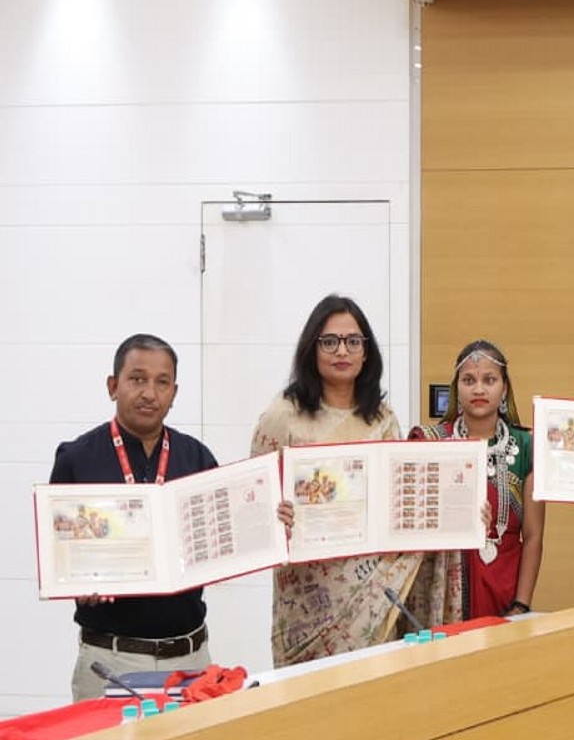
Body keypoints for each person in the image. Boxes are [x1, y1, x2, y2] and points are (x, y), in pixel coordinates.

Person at [251, 294, 423, 666]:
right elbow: (254, 500)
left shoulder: (382, 419)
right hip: (307, 602)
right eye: (329, 341)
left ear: (366, 352)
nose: (341, 351)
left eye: (352, 341)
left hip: (370, 595)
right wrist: (275, 513)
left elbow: (396, 500)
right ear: (312, 349)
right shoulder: (283, 416)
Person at [53, 335, 219, 701]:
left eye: (162, 382)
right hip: (110, 659)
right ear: (113, 386)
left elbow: (221, 539)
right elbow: (59, 554)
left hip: (190, 659)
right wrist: (75, 583)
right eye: (137, 379)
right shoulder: (77, 460)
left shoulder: (198, 459)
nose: (150, 393)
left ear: (174, 393)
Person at [411, 340, 545, 619]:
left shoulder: (528, 446)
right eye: (469, 380)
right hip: (442, 589)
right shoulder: (432, 443)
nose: (479, 389)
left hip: (504, 586)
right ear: (456, 388)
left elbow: (533, 536)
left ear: (504, 388)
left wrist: (521, 604)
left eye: (490, 380)